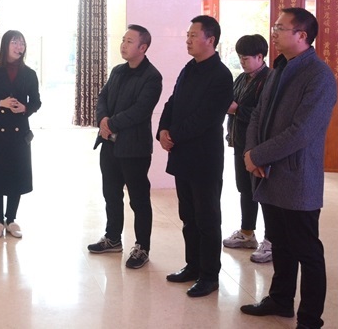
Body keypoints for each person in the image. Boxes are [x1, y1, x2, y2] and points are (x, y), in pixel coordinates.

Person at [240, 8, 337, 329]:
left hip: (297, 177)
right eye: (275, 26)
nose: (274, 32)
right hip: (268, 173)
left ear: (302, 36)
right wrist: (252, 152)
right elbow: (257, 114)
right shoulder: (279, 67)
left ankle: (310, 319)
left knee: (307, 251)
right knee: (280, 243)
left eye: (281, 28)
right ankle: (281, 300)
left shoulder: (319, 75)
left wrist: (259, 156)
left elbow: (302, 131)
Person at [157, 15, 233, 297]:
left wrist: (174, 134)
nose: (187, 40)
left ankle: (210, 276)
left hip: (204, 158)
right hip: (183, 156)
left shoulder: (221, 75)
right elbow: (172, 101)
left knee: (207, 218)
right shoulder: (189, 68)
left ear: (210, 40)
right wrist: (163, 130)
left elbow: (207, 118)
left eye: (193, 35)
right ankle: (193, 266)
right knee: (187, 215)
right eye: (187, 35)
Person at [87, 24, 163, 270]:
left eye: (129, 41)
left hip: (134, 149)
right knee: (111, 194)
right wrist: (102, 119)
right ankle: (113, 238)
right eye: (123, 40)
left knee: (139, 200)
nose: (123, 45)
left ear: (143, 47)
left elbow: (141, 110)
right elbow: (102, 97)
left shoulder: (152, 76)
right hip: (109, 145)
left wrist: (111, 123)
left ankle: (142, 247)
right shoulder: (118, 71)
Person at [0, 30, 41, 239]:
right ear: (5, 45)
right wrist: (0, 103)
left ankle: (11, 219)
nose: (19, 47)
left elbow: (36, 102)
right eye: (15, 42)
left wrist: (25, 108)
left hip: (19, 131)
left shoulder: (29, 73)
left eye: (22, 43)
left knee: (16, 173)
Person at [223, 34, 273, 264]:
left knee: (263, 192)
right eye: (240, 57)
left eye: (246, 58)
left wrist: (236, 110)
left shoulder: (269, 80)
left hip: (258, 146)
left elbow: (264, 115)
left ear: (260, 57)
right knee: (245, 189)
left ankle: (271, 240)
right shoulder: (241, 79)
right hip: (239, 143)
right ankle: (247, 233)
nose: (242, 62)